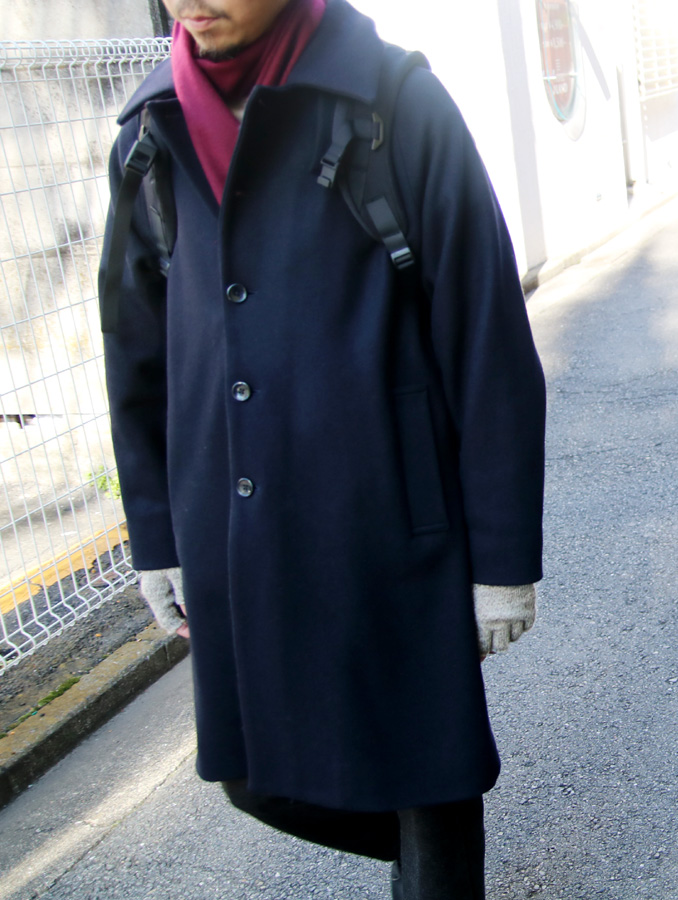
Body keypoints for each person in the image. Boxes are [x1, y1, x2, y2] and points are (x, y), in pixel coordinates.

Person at [99, 0, 545, 897]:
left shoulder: (396, 104)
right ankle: (428, 851)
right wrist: (156, 536)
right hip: (237, 525)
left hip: (390, 516)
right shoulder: (150, 135)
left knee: (426, 763)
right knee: (249, 772)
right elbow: (134, 349)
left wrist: (503, 560)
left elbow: (487, 339)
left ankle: (436, 860)